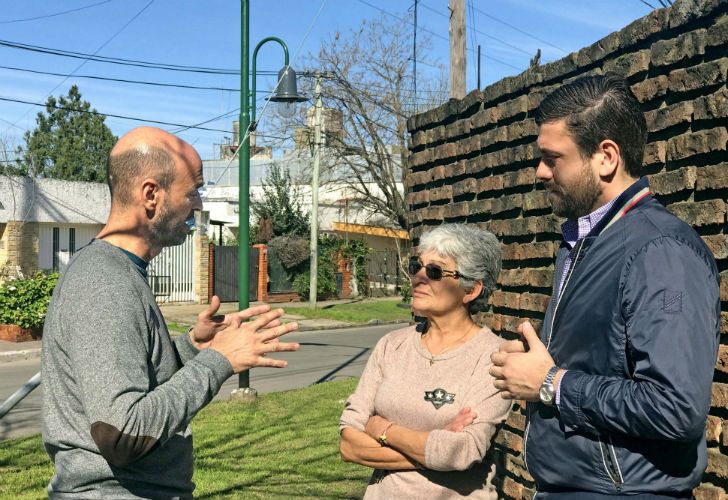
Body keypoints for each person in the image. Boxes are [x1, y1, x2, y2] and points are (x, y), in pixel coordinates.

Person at [489, 73, 720, 498]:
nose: (540, 172)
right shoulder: (586, 242)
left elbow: (676, 408)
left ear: (606, 157)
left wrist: (550, 383)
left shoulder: (661, 252)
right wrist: (538, 366)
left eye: (552, 157)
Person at [41, 126, 300, 499]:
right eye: (193, 190)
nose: (197, 204)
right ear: (151, 194)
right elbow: (123, 432)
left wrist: (194, 346)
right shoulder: (105, 283)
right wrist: (219, 360)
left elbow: (135, 377)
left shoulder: (120, 272)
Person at [339, 223, 511, 499]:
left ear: (471, 290)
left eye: (435, 271)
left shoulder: (494, 358)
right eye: (416, 266)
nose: (419, 277)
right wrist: (435, 443)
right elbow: (349, 445)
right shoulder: (392, 346)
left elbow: (463, 451)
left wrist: (381, 429)